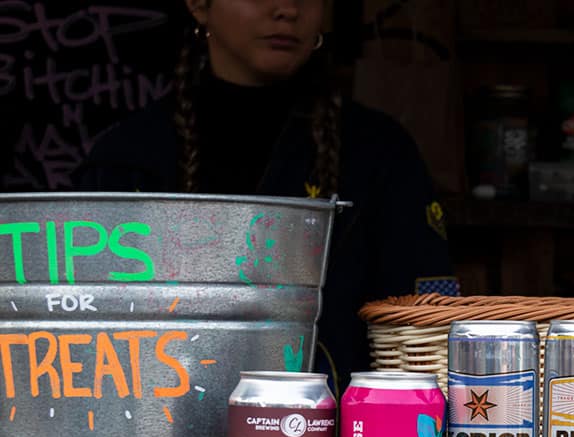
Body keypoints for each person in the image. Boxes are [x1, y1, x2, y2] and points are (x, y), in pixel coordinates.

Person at [75, 0, 453, 394]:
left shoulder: (379, 152)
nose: (288, 9)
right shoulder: (127, 158)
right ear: (199, 6)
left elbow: (428, 325)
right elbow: (89, 342)